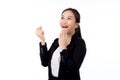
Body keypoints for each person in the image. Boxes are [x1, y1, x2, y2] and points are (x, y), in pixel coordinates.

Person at [36, 8, 87, 80]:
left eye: (69, 18)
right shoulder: (56, 41)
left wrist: (63, 47)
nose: (64, 21)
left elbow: (72, 69)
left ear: (76, 25)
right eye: (62, 18)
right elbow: (45, 63)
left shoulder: (79, 43)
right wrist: (42, 40)